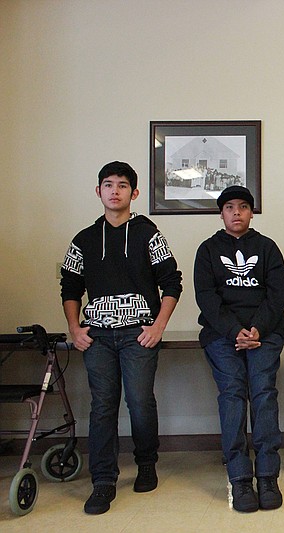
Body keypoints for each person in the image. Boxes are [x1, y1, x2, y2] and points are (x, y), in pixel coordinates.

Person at [60, 161, 182, 514]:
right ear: (98, 191)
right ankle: (103, 480)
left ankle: (146, 463)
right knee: (102, 406)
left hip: (138, 335)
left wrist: (158, 325)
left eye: (123, 185)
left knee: (140, 401)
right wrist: (74, 327)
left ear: (134, 193)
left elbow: (172, 281)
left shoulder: (148, 234)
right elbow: (70, 286)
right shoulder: (83, 239)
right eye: (108, 185)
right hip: (96, 336)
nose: (115, 190)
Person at [194, 186, 284, 512]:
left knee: (263, 391)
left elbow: (278, 297)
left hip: (266, 332)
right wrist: (236, 331)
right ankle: (240, 478)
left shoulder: (267, 248)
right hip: (222, 335)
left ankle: (267, 475)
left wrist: (257, 329)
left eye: (244, 207)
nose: (237, 212)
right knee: (233, 393)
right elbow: (206, 298)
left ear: (252, 212)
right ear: (221, 213)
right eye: (230, 207)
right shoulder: (207, 250)